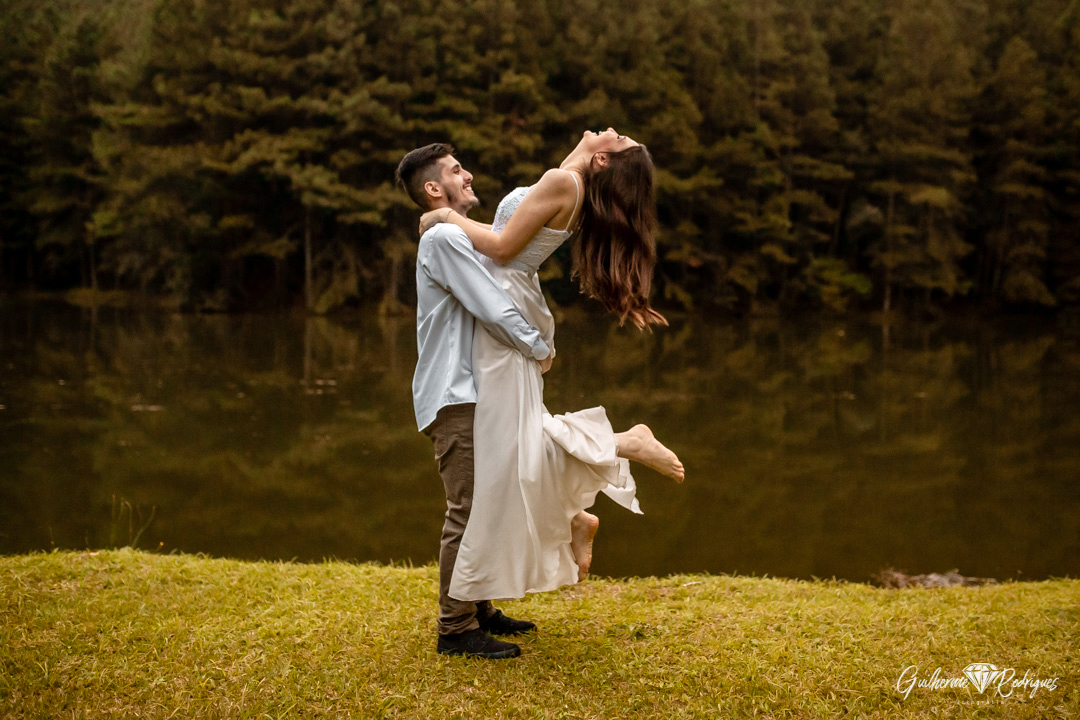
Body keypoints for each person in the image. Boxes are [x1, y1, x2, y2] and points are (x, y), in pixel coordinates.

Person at [417, 129, 685, 605]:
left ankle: (620, 445)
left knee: (513, 447)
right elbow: (516, 231)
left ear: (603, 160)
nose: (610, 130)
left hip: (502, 307)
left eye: (618, 138)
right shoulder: (570, 179)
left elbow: (502, 247)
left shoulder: (563, 182)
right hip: (508, 298)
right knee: (512, 447)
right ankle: (576, 512)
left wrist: (445, 217)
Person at [395, 143, 551, 660]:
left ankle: (480, 608)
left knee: (487, 503)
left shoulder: (453, 233)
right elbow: (492, 307)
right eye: (456, 170)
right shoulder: (443, 239)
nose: (468, 175)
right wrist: (538, 346)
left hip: (473, 390)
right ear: (433, 187)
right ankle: (454, 627)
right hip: (453, 394)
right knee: (465, 509)